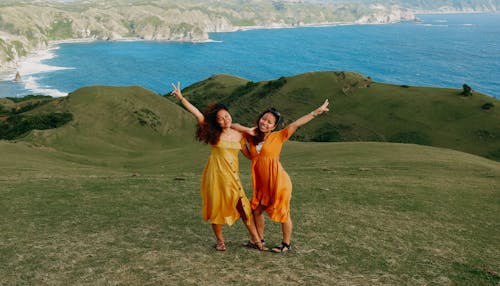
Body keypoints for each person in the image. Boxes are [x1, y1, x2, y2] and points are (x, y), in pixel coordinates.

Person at [170, 82, 267, 252]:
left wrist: (263, 146)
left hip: (233, 177)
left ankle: (257, 241)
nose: (225, 120)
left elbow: (249, 156)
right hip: (215, 176)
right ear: (216, 121)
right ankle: (220, 241)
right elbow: (198, 114)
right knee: (217, 208)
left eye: (227, 116)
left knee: (244, 209)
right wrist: (181, 98)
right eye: (221, 118)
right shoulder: (214, 133)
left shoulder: (239, 135)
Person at [232, 99, 330, 253]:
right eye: (263, 119)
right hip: (262, 184)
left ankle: (286, 244)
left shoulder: (279, 136)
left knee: (284, 213)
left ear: (274, 126)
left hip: (278, 182)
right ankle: (259, 240)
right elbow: (234, 127)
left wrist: (316, 112)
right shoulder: (252, 138)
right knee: (256, 211)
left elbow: (296, 124)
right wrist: (247, 131)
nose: (265, 123)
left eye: (269, 122)